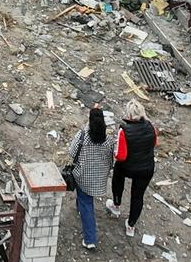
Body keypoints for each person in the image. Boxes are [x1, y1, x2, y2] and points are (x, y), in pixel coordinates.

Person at [67, 104, 113, 251]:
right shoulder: (108, 141)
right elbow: (111, 161)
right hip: (99, 179)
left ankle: (90, 239)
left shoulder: (82, 137)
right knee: (84, 199)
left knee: (87, 204)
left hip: (82, 176)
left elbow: (72, 152)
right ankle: (79, 208)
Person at [110, 101, 158, 230]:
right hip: (146, 168)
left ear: (129, 114)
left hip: (127, 167)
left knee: (117, 177)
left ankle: (116, 205)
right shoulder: (151, 127)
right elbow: (154, 143)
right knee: (138, 196)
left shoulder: (124, 130)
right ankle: (131, 225)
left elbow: (121, 156)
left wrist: (114, 153)